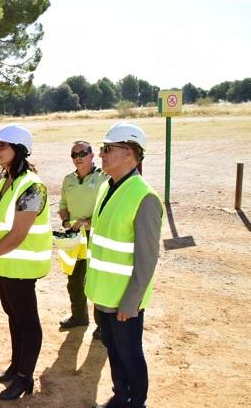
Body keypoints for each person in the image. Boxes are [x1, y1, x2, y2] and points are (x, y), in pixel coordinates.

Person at [87, 122, 163, 408]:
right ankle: (121, 395)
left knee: (130, 353)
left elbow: (147, 258)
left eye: (108, 149)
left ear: (129, 153)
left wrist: (131, 302)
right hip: (104, 293)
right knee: (114, 350)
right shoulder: (107, 186)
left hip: (125, 299)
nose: (101, 154)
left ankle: (136, 401)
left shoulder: (144, 197)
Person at [0, 124, 52, 401]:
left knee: (27, 321)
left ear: (18, 151)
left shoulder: (32, 186)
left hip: (21, 267)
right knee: (14, 318)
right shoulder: (5, 182)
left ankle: (25, 378)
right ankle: (16, 366)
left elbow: (19, 233)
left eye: (1, 146)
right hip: (3, 265)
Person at [58, 141, 109, 340]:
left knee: (96, 279)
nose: (78, 157)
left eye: (82, 153)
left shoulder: (104, 178)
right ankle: (79, 316)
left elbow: (106, 207)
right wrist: (65, 221)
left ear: (92, 155)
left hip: (94, 235)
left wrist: (88, 222)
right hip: (74, 236)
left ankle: (102, 325)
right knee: (74, 279)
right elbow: (62, 205)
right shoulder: (68, 180)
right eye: (74, 154)